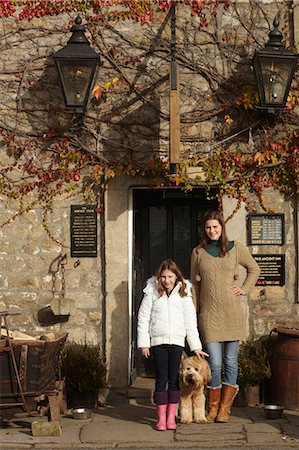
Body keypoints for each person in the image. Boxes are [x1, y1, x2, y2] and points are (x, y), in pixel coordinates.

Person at [190, 210, 260, 423]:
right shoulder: (198, 252)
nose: (212, 231)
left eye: (216, 227)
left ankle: (224, 409)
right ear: (205, 229)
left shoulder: (236, 248)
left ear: (222, 228)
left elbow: (254, 269)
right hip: (209, 315)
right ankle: (212, 407)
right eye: (209, 227)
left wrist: (244, 289)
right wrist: (195, 313)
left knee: (231, 361)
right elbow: (194, 285)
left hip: (232, 313)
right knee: (216, 363)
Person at [137, 259, 208, 431]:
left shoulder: (184, 294)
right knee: (161, 379)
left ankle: (171, 418)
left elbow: (190, 322)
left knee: (174, 380)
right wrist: (144, 344)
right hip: (158, 343)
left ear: (176, 277)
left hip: (177, 342)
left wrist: (196, 347)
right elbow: (143, 319)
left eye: (170, 276)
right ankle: (161, 418)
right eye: (163, 277)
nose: (166, 281)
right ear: (158, 278)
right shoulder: (151, 292)